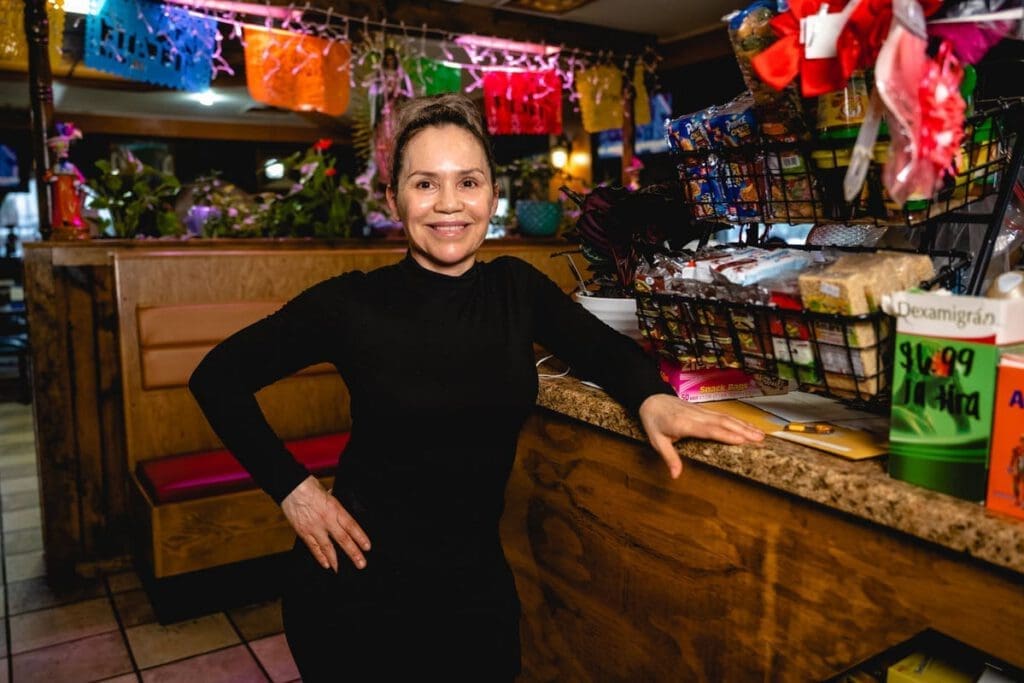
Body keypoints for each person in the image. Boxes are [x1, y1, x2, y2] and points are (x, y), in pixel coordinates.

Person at [188, 92, 764, 682]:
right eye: (424, 184)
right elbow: (217, 377)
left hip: (473, 589)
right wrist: (294, 491)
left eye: (468, 182)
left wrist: (655, 399)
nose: (448, 205)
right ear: (393, 200)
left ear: (492, 195)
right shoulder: (352, 303)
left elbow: (603, 349)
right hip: (358, 594)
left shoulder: (514, 288)